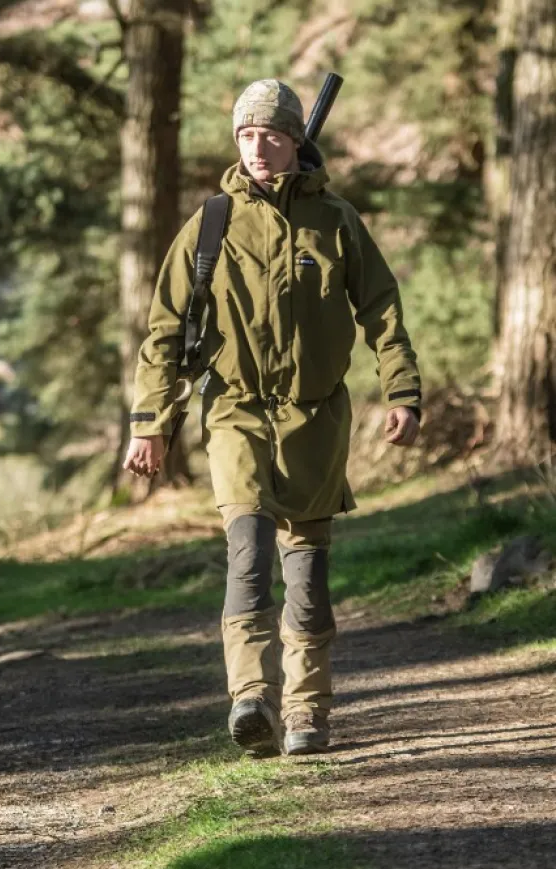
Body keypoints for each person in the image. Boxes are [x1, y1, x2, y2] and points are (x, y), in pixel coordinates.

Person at [123, 79, 421, 756]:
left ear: (295, 141)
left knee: (307, 578)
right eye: (247, 136)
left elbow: (383, 311)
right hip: (235, 412)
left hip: (317, 421)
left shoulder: (336, 222)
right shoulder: (211, 223)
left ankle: (308, 709)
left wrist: (402, 392)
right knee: (248, 552)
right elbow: (164, 330)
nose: (258, 148)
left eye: (272, 135)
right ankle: (251, 696)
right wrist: (150, 424)